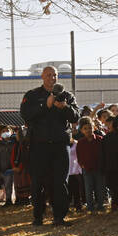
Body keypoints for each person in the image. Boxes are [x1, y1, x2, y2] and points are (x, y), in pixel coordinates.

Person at [20, 66, 80, 226]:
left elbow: (76, 116)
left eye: (54, 75)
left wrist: (65, 107)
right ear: (42, 77)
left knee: (60, 182)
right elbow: (25, 114)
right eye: (48, 75)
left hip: (60, 146)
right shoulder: (32, 95)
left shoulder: (66, 96)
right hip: (39, 146)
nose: (52, 78)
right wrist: (44, 106)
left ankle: (59, 217)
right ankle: (38, 217)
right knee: (37, 182)